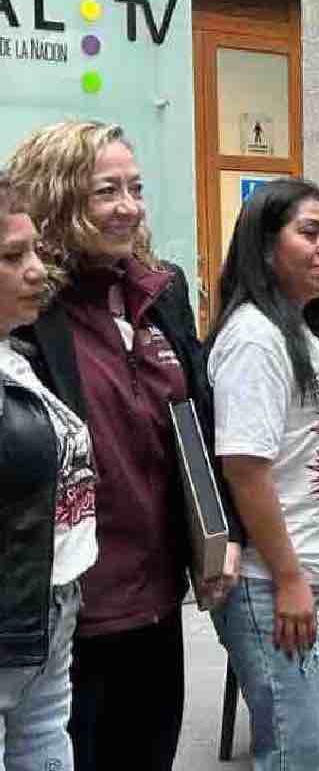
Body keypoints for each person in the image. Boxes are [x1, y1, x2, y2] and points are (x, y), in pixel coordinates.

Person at [7, 121, 240, 770]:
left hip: (158, 602)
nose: (129, 206)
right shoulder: (26, 312)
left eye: (135, 188)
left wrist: (226, 531)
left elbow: (202, 419)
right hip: (66, 618)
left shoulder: (156, 291)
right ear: (55, 197)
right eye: (106, 190)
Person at [207, 178, 319, 769]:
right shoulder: (255, 339)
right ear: (264, 248)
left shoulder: (302, 328)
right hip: (278, 582)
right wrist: (289, 579)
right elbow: (245, 470)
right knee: (297, 753)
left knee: (318, 744)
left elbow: (296, 438)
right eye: (308, 233)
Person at [0, 173, 97, 771]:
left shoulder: (21, 356)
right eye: (13, 256)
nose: (37, 269)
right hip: (12, 618)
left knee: (46, 748)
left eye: (36, 250)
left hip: (48, 607)